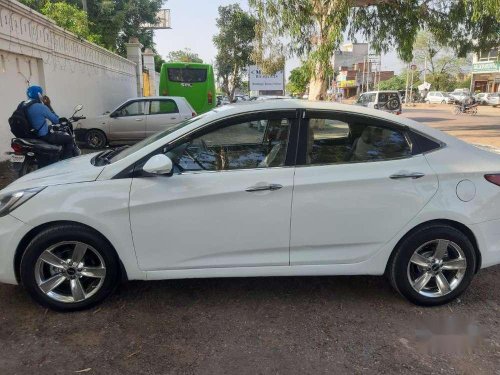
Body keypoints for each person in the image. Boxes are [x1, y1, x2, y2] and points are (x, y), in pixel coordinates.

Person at [25, 85, 78, 159]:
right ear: (39, 95)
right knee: (69, 139)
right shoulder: (41, 107)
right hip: (43, 136)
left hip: (30, 135)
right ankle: (66, 161)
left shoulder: (24, 106)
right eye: (41, 94)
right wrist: (48, 104)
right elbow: (56, 120)